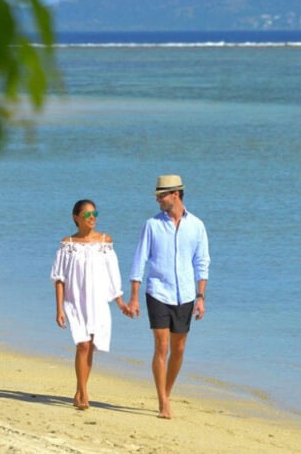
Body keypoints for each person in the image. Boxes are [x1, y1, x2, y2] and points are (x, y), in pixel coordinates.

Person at [127, 174, 210, 419]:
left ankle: (167, 391)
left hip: (185, 295)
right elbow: (139, 260)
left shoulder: (196, 225)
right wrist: (133, 298)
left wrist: (201, 296)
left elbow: (202, 262)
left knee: (180, 348)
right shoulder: (152, 225)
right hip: (158, 292)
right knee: (162, 346)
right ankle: (163, 401)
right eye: (158, 196)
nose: (158, 200)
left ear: (175, 194)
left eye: (161, 195)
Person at [51, 199, 131, 410]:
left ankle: (80, 390)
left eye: (95, 213)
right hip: (74, 300)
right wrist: (59, 309)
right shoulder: (68, 244)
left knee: (91, 346)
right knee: (82, 344)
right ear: (76, 218)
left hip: (98, 301)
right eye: (87, 214)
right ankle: (84, 392)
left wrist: (120, 301)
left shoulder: (105, 242)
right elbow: (59, 278)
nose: (92, 217)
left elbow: (113, 274)